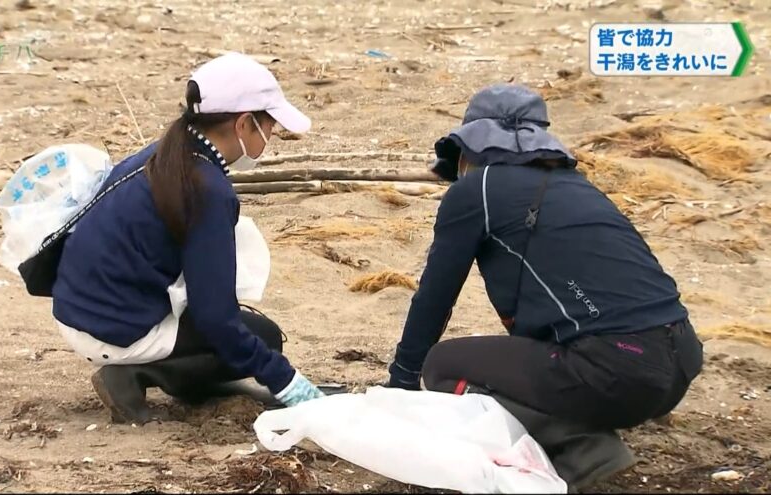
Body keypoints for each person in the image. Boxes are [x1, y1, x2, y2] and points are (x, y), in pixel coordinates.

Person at [386, 84, 703, 489]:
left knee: (444, 365)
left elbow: (434, 297)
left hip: (616, 371)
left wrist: (402, 385)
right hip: (678, 364)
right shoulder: (578, 187)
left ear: (470, 148)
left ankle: (584, 445)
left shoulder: (477, 189)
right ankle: (585, 422)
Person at [52, 53, 324, 424]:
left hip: (81, 309)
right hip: (114, 329)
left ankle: (146, 366)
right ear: (245, 124)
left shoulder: (165, 153)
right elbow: (217, 318)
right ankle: (137, 373)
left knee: (241, 334)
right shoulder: (207, 188)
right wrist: (289, 384)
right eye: (270, 126)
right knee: (262, 338)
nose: (271, 137)